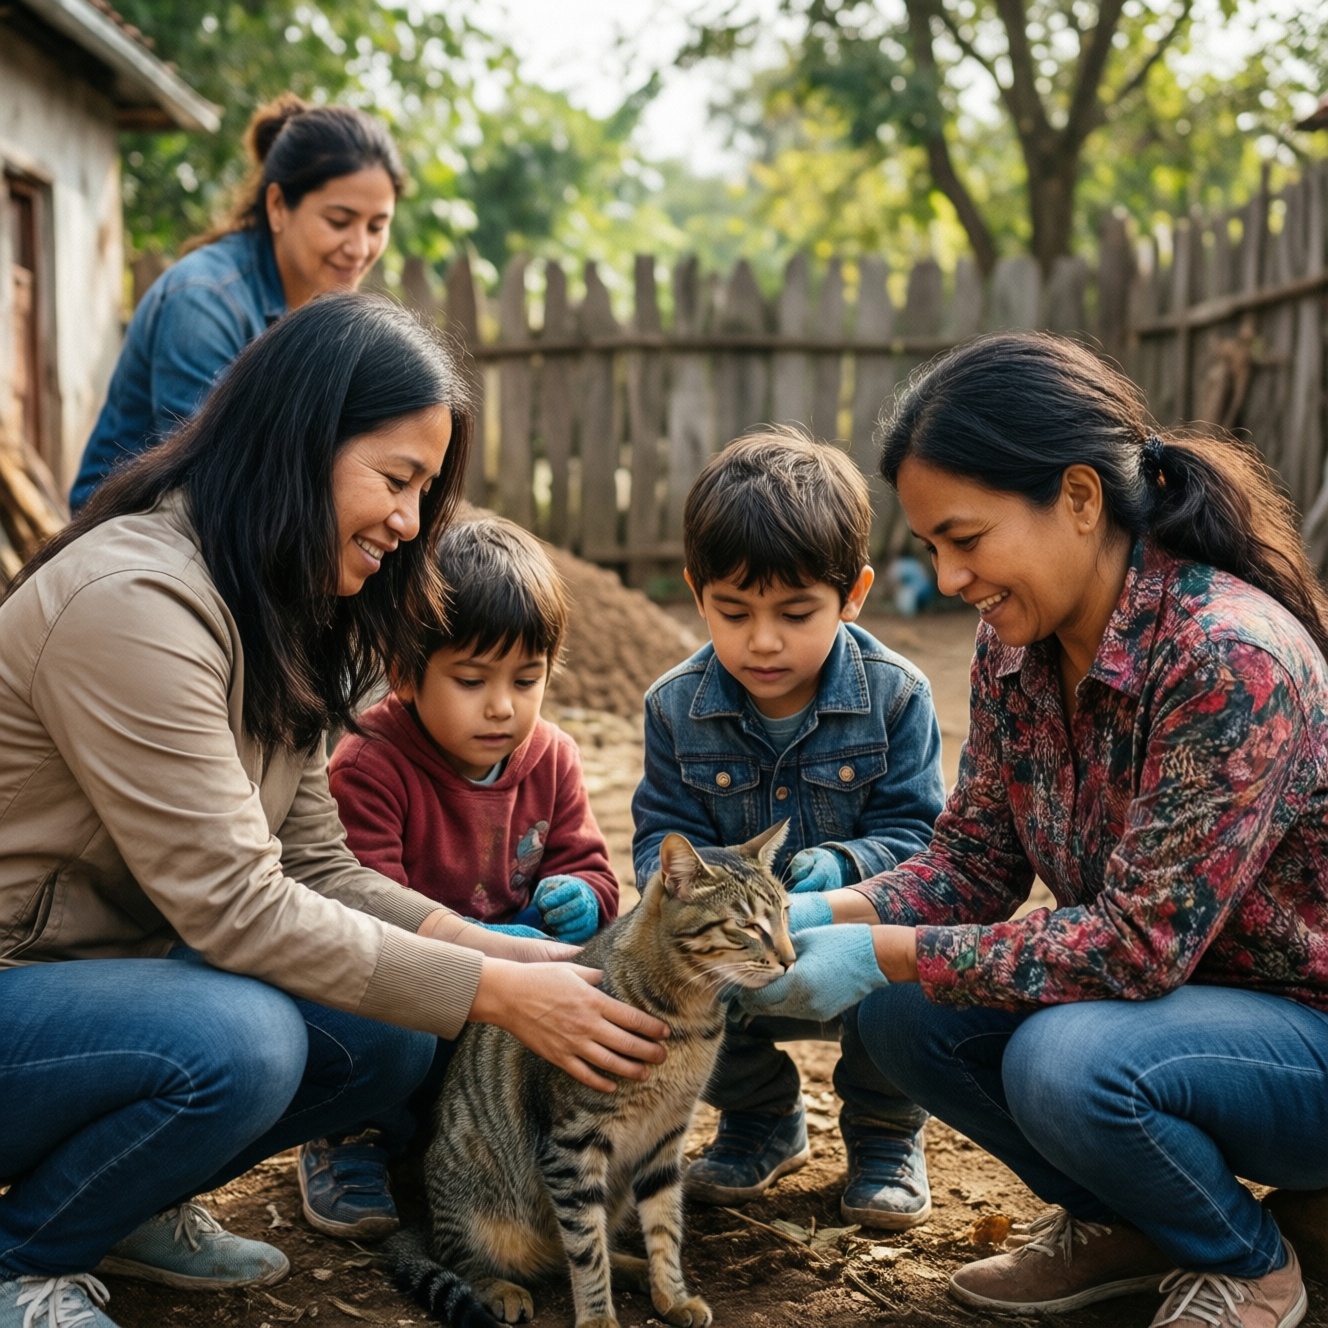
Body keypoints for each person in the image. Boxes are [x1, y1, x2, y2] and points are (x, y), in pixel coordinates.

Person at [0, 292, 668, 1328]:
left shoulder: (278, 601)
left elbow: (317, 863)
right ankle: (21, 1259)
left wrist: (487, 948)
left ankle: (114, 1204)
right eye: (396, 479)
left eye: (424, 490)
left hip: (90, 989)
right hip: (26, 988)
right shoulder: (133, 603)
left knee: (386, 1036)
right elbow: (236, 904)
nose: (409, 522)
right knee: (242, 1037)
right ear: (299, 442)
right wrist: (492, 990)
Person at [739, 331, 1328, 1328]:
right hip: (1165, 1016)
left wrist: (879, 946)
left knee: (1063, 1060)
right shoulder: (1014, 643)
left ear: (1078, 498)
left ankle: (1252, 1264)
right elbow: (971, 863)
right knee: (899, 1013)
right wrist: (813, 911)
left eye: (963, 538)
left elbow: (1136, 945)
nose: (948, 572)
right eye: (930, 544)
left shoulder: (1226, 657)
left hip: (1294, 1038)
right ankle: (1128, 1225)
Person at [631, 429, 945, 1230]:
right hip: (737, 953)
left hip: (850, 931)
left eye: (795, 613)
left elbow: (920, 838)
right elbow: (660, 836)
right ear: (697, 594)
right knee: (659, 976)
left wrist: (845, 864)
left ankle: (884, 1135)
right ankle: (761, 1117)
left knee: (911, 976)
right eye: (733, 612)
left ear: (854, 594)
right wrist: (672, 900)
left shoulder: (896, 696)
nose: (762, 641)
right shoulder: (675, 707)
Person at [302, 512, 621, 1239]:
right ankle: (350, 1139)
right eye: (472, 680)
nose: (503, 706)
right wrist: (484, 943)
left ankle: (495, 1147)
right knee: (380, 1032)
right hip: (407, 986)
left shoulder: (552, 757)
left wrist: (582, 897)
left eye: (527, 679)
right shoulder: (370, 763)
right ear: (406, 673)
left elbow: (591, 868)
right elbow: (365, 912)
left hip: (513, 1002)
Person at [71, 93, 402, 510]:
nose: (360, 248)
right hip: (131, 537)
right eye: (339, 222)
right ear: (278, 206)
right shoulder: (204, 302)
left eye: (377, 226)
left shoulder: (325, 313)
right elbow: (212, 482)